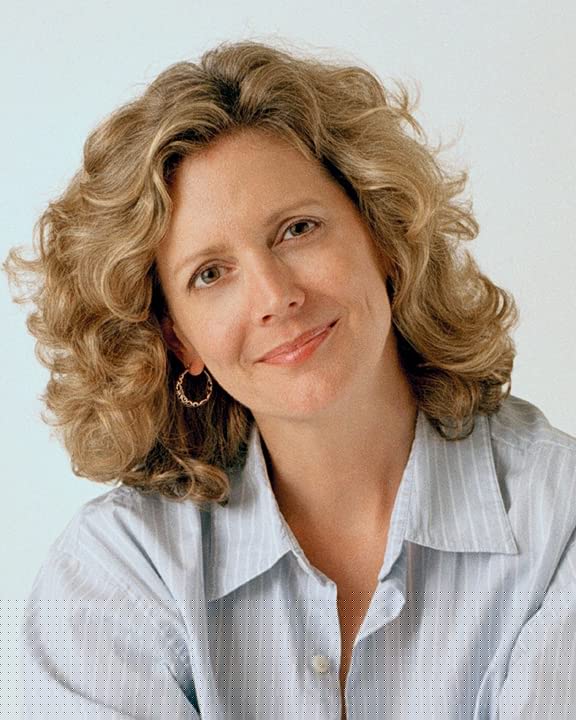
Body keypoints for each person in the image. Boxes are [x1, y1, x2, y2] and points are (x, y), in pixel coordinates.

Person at [6, 39, 576, 719]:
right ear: (177, 338)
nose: (275, 296)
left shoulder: (557, 516)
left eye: (297, 229)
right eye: (210, 274)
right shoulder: (121, 570)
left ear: (383, 234)